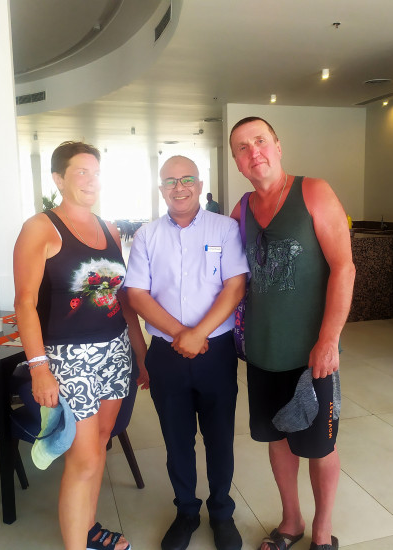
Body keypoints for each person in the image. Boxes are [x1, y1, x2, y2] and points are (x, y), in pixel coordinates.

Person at [13, 141, 148, 550]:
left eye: (96, 172)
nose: (91, 180)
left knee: (101, 442)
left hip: (115, 351)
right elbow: (24, 303)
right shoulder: (41, 228)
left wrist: (140, 353)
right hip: (70, 358)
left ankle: (88, 530)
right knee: (83, 458)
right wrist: (39, 368)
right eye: (81, 172)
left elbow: (121, 298)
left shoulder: (109, 229)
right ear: (59, 179)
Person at [229, 117, 356, 550]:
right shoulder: (240, 212)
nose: (254, 152)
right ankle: (291, 520)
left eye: (260, 141)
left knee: (319, 445)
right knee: (277, 440)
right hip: (262, 352)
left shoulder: (313, 192)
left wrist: (329, 340)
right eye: (243, 147)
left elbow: (344, 267)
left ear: (278, 146)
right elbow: (222, 275)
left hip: (311, 354)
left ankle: (322, 530)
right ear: (238, 163)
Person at [124, 155, 249, 550]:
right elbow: (136, 294)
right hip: (166, 354)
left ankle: (222, 512)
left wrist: (199, 334)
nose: (179, 187)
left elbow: (235, 286)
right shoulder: (147, 235)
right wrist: (182, 335)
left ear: (200, 185)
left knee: (219, 436)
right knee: (177, 439)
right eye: (170, 181)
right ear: (161, 189)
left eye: (187, 179)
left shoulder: (225, 228)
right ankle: (186, 512)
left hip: (216, 352)